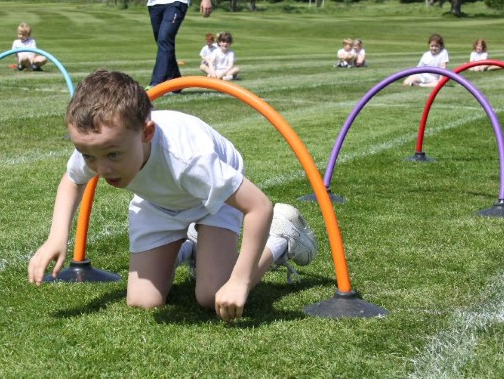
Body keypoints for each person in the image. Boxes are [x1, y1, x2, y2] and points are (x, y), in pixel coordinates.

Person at [27, 70, 318, 322]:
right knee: (143, 301)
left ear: (147, 133)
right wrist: (57, 236)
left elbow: (259, 207)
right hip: (158, 202)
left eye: (113, 155)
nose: (101, 169)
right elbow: (72, 180)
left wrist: (240, 281)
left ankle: (280, 239)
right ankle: (193, 245)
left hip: (210, 200)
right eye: (88, 156)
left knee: (213, 296)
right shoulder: (98, 147)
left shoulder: (191, 161)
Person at [146, 0, 213, 90]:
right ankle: (175, 81)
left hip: (177, 2)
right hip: (154, 4)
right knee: (164, 45)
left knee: (164, 39)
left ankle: (157, 83)